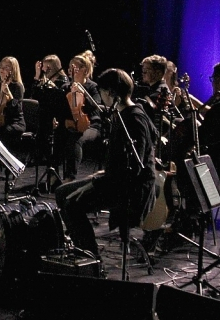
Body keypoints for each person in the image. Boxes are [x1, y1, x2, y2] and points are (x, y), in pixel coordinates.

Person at [56, 68, 157, 258]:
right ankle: (82, 247)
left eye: (102, 92)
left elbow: (134, 168)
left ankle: (89, 257)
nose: (101, 97)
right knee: (62, 192)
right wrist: (102, 175)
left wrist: (96, 183)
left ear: (111, 93)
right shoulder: (125, 114)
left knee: (71, 203)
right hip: (116, 179)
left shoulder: (133, 119)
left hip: (131, 188)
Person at [58, 51, 104, 182]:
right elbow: (61, 109)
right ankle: (54, 175)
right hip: (72, 123)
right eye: (70, 68)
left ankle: (69, 177)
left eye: (75, 68)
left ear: (84, 70)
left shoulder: (92, 87)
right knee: (56, 134)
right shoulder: (66, 86)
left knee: (75, 138)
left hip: (91, 125)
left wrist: (82, 92)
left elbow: (96, 107)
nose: (71, 71)